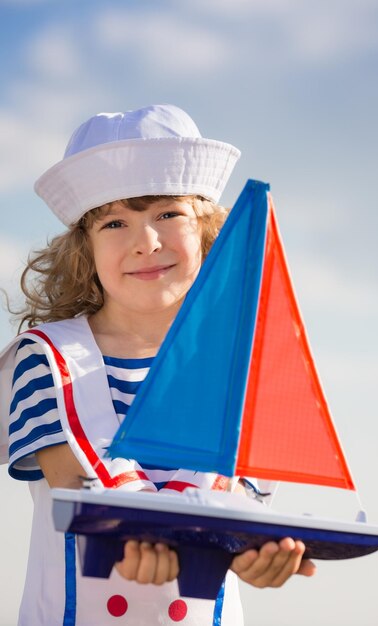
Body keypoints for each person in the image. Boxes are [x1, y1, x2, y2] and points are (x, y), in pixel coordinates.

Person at [0, 104, 316, 626]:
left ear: (209, 230)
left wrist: (258, 556)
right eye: (116, 222)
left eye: (168, 214)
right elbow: (78, 489)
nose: (146, 242)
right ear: (85, 250)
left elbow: (238, 507)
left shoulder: (247, 368)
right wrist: (176, 532)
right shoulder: (47, 359)